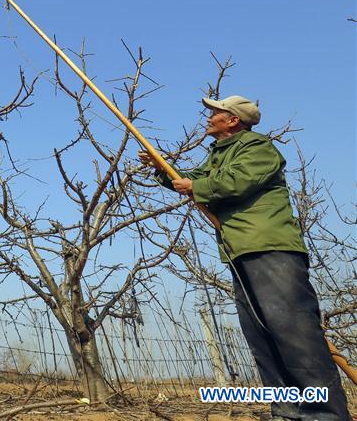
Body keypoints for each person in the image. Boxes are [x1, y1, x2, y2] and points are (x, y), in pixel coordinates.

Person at [139, 95, 350, 421]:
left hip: (270, 249)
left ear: (233, 120)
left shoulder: (257, 148)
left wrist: (194, 185)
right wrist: (162, 169)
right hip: (239, 252)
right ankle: (288, 413)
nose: (208, 117)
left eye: (215, 112)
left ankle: (325, 416)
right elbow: (191, 178)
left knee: (294, 335)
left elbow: (234, 182)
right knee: (263, 339)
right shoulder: (219, 155)